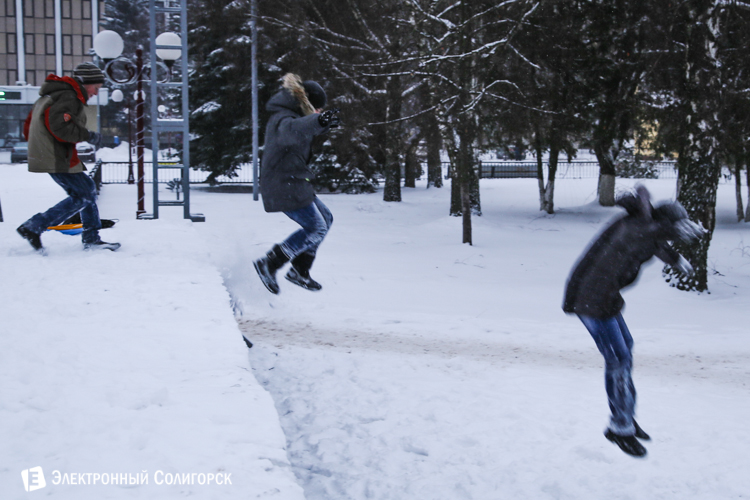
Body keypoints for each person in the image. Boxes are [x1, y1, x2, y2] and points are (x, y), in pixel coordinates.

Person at [563, 185, 704, 457]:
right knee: (619, 360)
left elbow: (655, 243)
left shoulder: (646, 230)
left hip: (603, 296)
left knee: (625, 349)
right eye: (674, 227)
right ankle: (620, 428)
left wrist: (676, 258)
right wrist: (674, 230)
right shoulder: (635, 227)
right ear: (662, 222)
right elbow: (647, 235)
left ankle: (624, 414)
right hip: (590, 299)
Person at [16, 62, 120, 253]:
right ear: (85, 83)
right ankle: (35, 226)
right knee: (85, 193)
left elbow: (29, 125)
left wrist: (40, 147)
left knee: (87, 190)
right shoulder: (68, 96)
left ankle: (91, 238)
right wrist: (88, 136)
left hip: (53, 153)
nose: (96, 93)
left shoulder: (54, 95)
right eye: (96, 88)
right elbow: (60, 127)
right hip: (57, 155)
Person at [254, 73, 340, 294]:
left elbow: (303, 126)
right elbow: (294, 130)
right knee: (316, 227)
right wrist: (318, 121)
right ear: (306, 102)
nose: (318, 112)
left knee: (326, 219)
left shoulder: (291, 116)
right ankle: (270, 263)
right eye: (317, 108)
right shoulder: (282, 119)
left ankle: (299, 270)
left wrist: (320, 124)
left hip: (294, 181)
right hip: (283, 183)